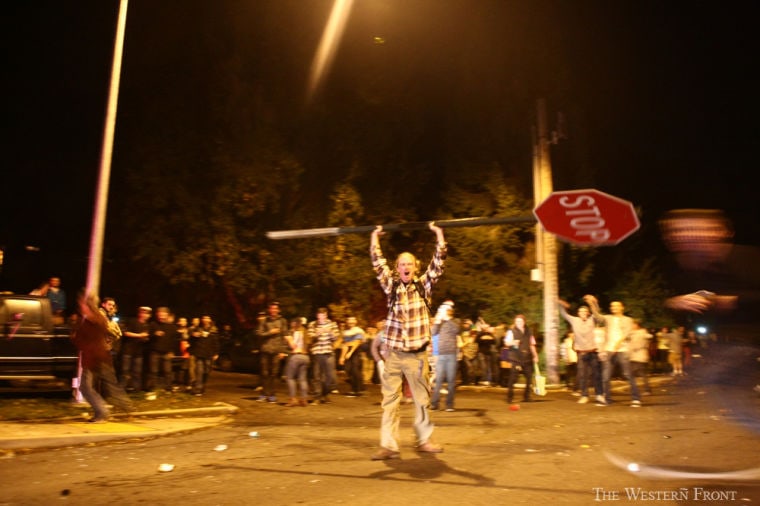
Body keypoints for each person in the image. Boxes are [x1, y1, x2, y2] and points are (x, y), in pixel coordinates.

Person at [369, 222, 446, 460]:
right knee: (390, 400)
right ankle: (389, 446)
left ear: (415, 268)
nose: (406, 267)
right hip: (393, 353)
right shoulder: (390, 286)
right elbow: (376, 261)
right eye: (402, 264)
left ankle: (423, 440)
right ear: (397, 268)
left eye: (410, 264)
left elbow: (439, 260)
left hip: (417, 354)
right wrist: (374, 236)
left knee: (422, 400)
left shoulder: (424, 285)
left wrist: (438, 232)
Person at [70, 291, 134, 423]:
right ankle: (128, 408)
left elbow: (82, 340)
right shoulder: (94, 318)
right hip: (101, 357)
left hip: (94, 358)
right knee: (111, 385)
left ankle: (102, 412)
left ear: (86, 305)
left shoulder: (94, 319)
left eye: (82, 304)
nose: (80, 306)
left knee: (86, 387)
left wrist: (75, 336)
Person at [584, 295, 640, 407]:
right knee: (606, 376)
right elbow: (597, 317)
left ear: (622, 308)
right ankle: (607, 399)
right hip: (609, 349)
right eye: (612, 306)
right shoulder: (608, 318)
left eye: (616, 306)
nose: (613, 307)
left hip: (622, 350)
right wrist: (592, 304)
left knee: (627, 374)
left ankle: (636, 399)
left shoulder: (628, 320)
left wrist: (617, 345)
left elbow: (627, 334)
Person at [558, 299, 602, 404]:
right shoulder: (574, 320)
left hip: (592, 352)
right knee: (582, 375)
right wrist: (561, 304)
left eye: (584, 311)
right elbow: (563, 314)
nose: (582, 313)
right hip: (581, 353)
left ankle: (599, 394)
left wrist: (593, 303)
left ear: (587, 313)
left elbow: (597, 312)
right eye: (580, 312)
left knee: (596, 374)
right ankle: (584, 395)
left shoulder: (592, 319)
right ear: (578, 313)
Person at [430, 303, 462, 412]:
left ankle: (449, 404)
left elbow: (457, 330)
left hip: (451, 355)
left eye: (442, 310)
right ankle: (435, 403)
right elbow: (433, 332)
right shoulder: (440, 323)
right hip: (441, 354)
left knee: (451, 380)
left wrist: (447, 319)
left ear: (448, 311)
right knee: (438, 380)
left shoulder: (455, 321)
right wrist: (437, 321)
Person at [256, 301, 289, 403]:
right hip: (266, 349)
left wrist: (283, 351)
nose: (273, 310)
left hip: (276, 350)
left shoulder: (282, 321)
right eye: (271, 308)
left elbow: (285, 336)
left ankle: (272, 394)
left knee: (274, 374)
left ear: (278, 310)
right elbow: (259, 333)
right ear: (269, 310)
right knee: (264, 373)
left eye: (275, 308)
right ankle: (264, 394)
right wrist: (270, 332)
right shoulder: (264, 321)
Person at [504, 314, 539, 404]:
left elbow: (532, 344)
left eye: (521, 321)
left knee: (529, 378)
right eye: (517, 321)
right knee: (513, 378)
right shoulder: (511, 331)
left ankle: (527, 396)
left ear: (524, 322)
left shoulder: (529, 332)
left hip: (527, 358)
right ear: (515, 322)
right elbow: (506, 343)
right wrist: (513, 342)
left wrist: (535, 355)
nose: (519, 323)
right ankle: (510, 397)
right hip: (515, 357)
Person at [307, 307, 340, 403]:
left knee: (329, 376)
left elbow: (336, 337)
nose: (321, 319)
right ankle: (317, 397)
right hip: (317, 352)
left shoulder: (332, 324)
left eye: (323, 316)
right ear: (317, 316)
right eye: (319, 317)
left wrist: (329, 332)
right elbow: (310, 337)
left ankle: (325, 393)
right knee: (316, 376)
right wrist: (318, 333)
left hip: (328, 352)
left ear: (326, 315)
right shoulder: (313, 324)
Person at [120, 306, 151, 392]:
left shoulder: (146, 325)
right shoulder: (133, 321)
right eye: (144, 313)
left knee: (137, 372)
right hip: (128, 351)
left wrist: (145, 338)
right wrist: (139, 335)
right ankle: (122, 389)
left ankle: (136, 390)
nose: (146, 315)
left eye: (147, 313)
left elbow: (146, 337)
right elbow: (125, 333)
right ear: (140, 313)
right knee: (125, 371)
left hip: (139, 352)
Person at [147, 306, 176, 392]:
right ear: (157, 315)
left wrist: (172, 351)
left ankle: (168, 388)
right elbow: (147, 337)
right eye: (160, 314)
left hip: (167, 352)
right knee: (153, 371)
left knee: (168, 371)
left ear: (167, 315)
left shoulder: (172, 327)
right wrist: (154, 334)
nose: (161, 316)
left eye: (164, 314)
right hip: (154, 352)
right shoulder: (153, 324)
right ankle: (152, 388)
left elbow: (174, 340)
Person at [285, 317, 312, 407]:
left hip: (296, 356)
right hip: (305, 357)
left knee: (290, 378)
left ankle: (293, 399)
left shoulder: (296, 332)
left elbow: (293, 345)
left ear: (295, 324)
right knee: (302, 379)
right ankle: (304, 399)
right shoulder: (306, 332)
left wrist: (288, 339)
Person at [189, 314, 219, 396]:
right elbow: (191, 340)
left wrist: (216, 352)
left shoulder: (213, 330)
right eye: (204, 318)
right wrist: (194, 336)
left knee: (206, 372)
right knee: (199, 371)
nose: (205, 320)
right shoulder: (198, 328)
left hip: (209, 354)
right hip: (199, 353)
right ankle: (198, 389)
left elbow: (216, 342)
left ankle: (203, 386)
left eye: (207, 318)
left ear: (210, 320)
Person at [339, 316, 366, 397]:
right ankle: (356, 388)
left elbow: (357, 342)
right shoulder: (346, 332)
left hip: (356, 352)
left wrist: (350, 352)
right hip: (348, 351)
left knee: (355, 370)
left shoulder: (358, 330)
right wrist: (342, 357)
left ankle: (357, 390)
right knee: (348, 370)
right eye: (349, 321)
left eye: (352, 321)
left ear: (355, 322)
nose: (350, 323)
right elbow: (345, 344)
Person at [628, 319, 653, 398]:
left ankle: (643, 390)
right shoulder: (633, 332)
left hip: (639, 356)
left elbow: (650, 336)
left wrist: (644, 344)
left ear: (637, 325)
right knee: (642, 374)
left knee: (633, 373)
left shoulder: (641, 332)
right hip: (634, 356)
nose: (632, 326)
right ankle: (647, 389)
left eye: (633, 324)